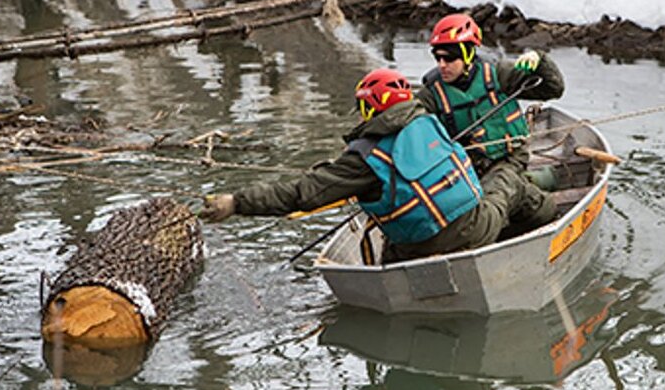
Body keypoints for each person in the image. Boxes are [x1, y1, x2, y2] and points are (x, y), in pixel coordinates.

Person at [199, 68, 534, 263]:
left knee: (387, 240)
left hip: (415, 251)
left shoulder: (363, 159)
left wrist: (236, 202)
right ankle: (546, 219)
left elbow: (302, 193)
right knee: (509, 179)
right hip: (475, 229)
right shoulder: (429, 121)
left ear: (373, 108)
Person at [416, 13, 564, 233]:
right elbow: (410, 122)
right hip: (468, 168)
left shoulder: (499, 73)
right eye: (437, 58)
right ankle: (534, 182)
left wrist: (541, 61)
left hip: (509, 158)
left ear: (467, 55)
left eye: (449, 58)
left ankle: (504, 221)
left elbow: (553, 89)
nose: (442, 65)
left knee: (493, 196)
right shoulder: (432, 93)